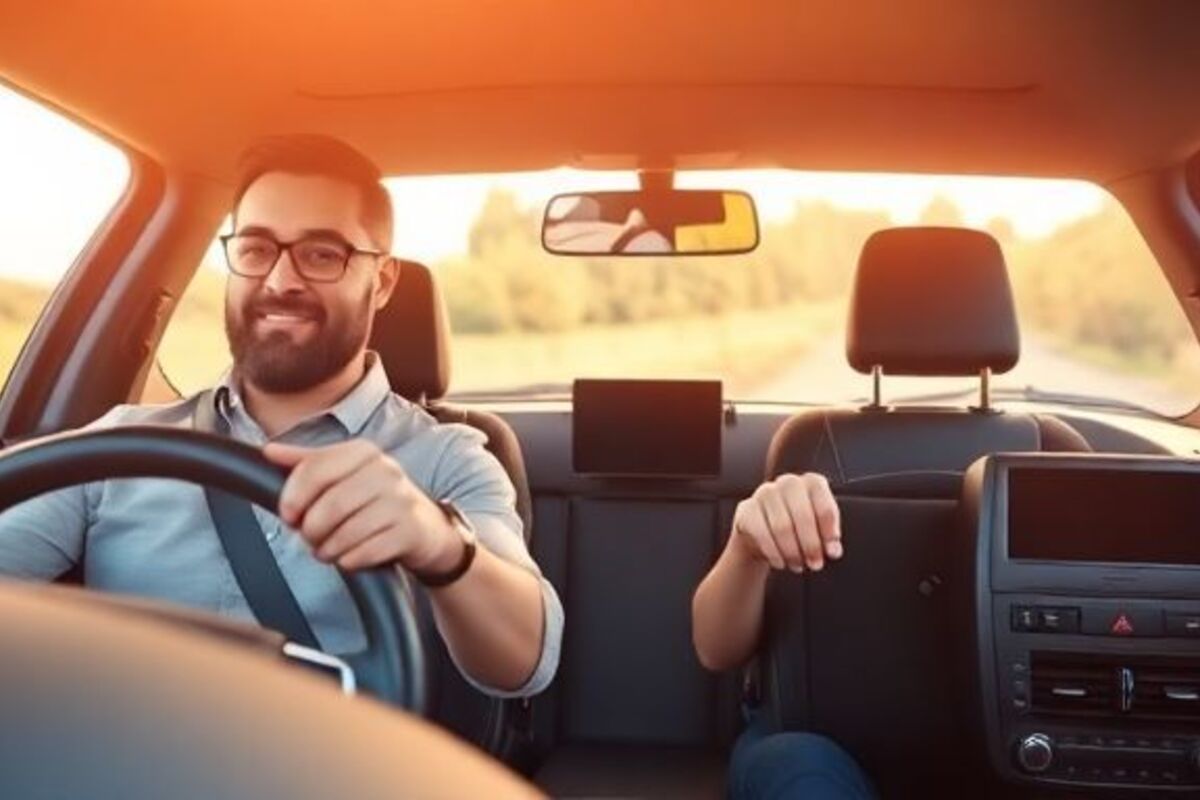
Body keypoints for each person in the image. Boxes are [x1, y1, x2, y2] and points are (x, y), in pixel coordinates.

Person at [0, 135, 562, 698]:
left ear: (382, 281)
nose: (280, 281)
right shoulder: (119, 442)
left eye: (322, 254)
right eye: (256, 249)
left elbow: (523, 663)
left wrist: (440, 545)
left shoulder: (449, 456)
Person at [692, 473, 876, 799]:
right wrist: (745, 550)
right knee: (802, 771)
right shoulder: (811, 459)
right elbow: (715, 651)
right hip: (806, 735)